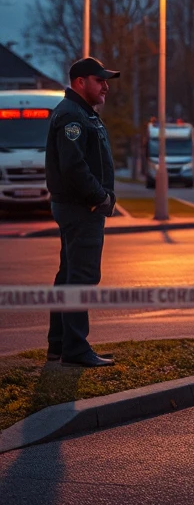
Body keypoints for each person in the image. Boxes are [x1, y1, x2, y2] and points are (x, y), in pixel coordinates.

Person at [44, 57, 120, 367]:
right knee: (82, 278)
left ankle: (60, 345)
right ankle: (75, 350)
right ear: (80, 82)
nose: (105, 87)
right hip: (81, 208)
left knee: (68, 275)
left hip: (77, 207)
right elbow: (74, 167)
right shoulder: (72, 116)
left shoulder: (81, 112)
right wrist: (99, 196)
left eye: (106, 81)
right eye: (99, 80)